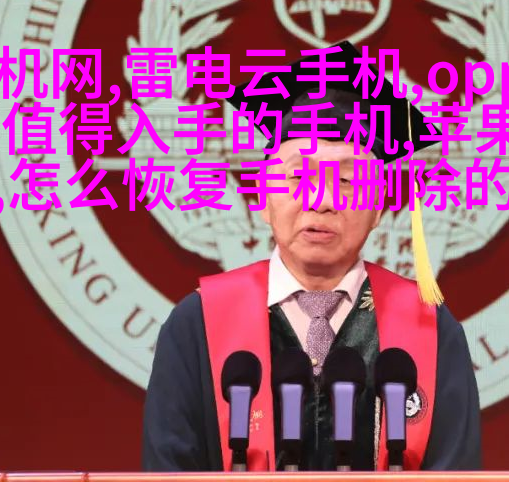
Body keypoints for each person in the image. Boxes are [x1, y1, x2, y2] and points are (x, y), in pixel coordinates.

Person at [142, 41, 482, 471]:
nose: (321, 200)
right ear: (262, 195)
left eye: (346, 180)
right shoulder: (198, 326)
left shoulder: (429, 329)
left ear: (379, 204)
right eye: (299, 175)